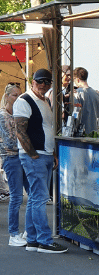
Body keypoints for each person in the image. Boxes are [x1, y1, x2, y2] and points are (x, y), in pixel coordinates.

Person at [13, 69, 68, 253]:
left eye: (47, 81)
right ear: (32, 82)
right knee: (39, 198)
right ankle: (44, 240)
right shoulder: (24, 100)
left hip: (43, 153)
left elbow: (46, 127)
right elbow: (20, 130)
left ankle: (33, 239)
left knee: (35, 198)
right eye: (39, 81)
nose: (43, 84)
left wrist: (50, 153)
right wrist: (33, 154)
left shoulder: (44, 100)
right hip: (34, 155)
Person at [0, 83, 29, 245]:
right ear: (6, 96)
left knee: (32, 194)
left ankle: (28, 231)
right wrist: (27, 142)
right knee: (17, 197)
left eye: (20, 94)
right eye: (14, 95)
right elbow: (10, 141)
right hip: (11, 158)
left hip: (23, 156)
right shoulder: (3, 115)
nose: (18, 98)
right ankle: (13, 234)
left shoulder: (18, 112)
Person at [73, 67, 99, 137]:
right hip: (96, 134)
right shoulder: (97, 94)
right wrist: (95, 116)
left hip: (81, 135)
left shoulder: (76, 94)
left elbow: (75, 116)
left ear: (77, 80)